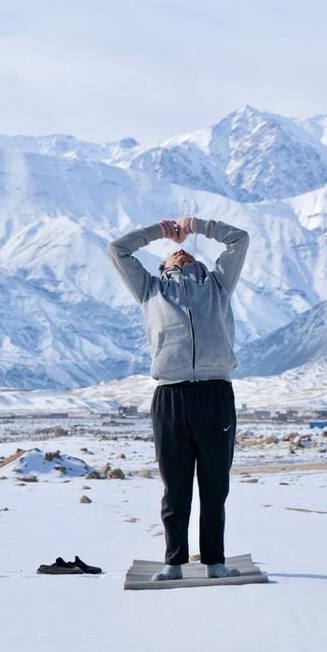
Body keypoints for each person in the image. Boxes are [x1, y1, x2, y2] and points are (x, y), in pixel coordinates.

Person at [108, 215, 250, 581]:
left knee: (215, 485)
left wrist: (197, 225)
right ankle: (173, 562)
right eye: (172, 253)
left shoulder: (218, 284)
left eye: (184, 249)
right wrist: (159, 231)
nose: (179, 251)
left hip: (216, 392)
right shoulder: (150, 290)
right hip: (170, 397)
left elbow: (239, 238)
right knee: (176, 486)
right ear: (163, 266)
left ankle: (215, 562)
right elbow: (117, 250)